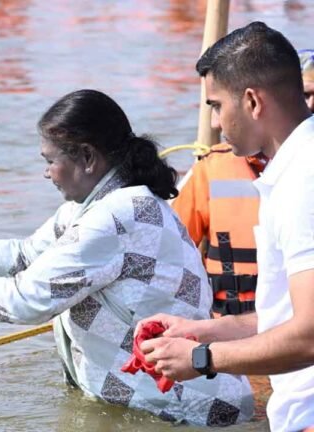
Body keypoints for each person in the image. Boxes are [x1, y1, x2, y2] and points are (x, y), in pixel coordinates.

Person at [0, 89, 253, 425]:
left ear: (87, 158)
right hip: (150, 404)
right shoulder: (92, 206)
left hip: (186, 410)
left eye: (50, 161)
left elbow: (24, 302)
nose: (46, 173)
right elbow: (24, 256)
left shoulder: (116, 216)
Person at [137, 22, 314, 432]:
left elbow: (309, 335)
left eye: (216, 105)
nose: (215, 123)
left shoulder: (302, 182)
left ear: (251, 101)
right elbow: (286, 316)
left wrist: (202, 359)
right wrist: (202, 331)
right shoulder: (294, 168)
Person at [171, 48, 314, 318]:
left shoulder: (302, 173)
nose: (215, 123)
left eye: (218, 106)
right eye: (306, 95)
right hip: (232, 322)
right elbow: (169, 256)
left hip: (285, 333)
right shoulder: (211, 169)